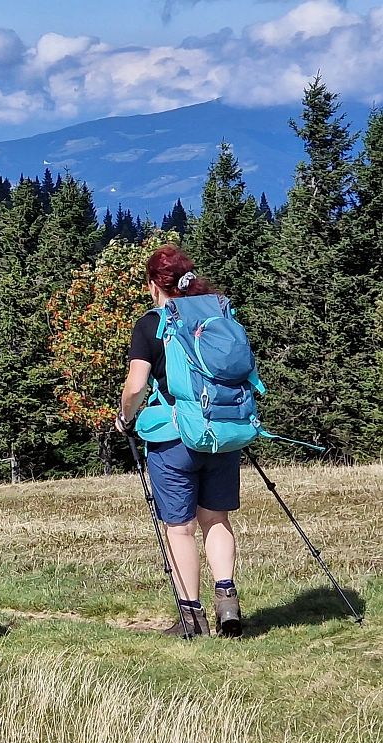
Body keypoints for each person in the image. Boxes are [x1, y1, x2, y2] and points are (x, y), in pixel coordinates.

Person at [115, 244, 243, 638]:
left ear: (155, 284)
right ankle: (227, 602)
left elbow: (137, 385)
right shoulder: (216, 313)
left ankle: (192, 618)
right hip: (222, 432)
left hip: (174, 439)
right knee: (216, 520)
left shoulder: (151, 323)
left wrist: (125, 416)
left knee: (179, 527)